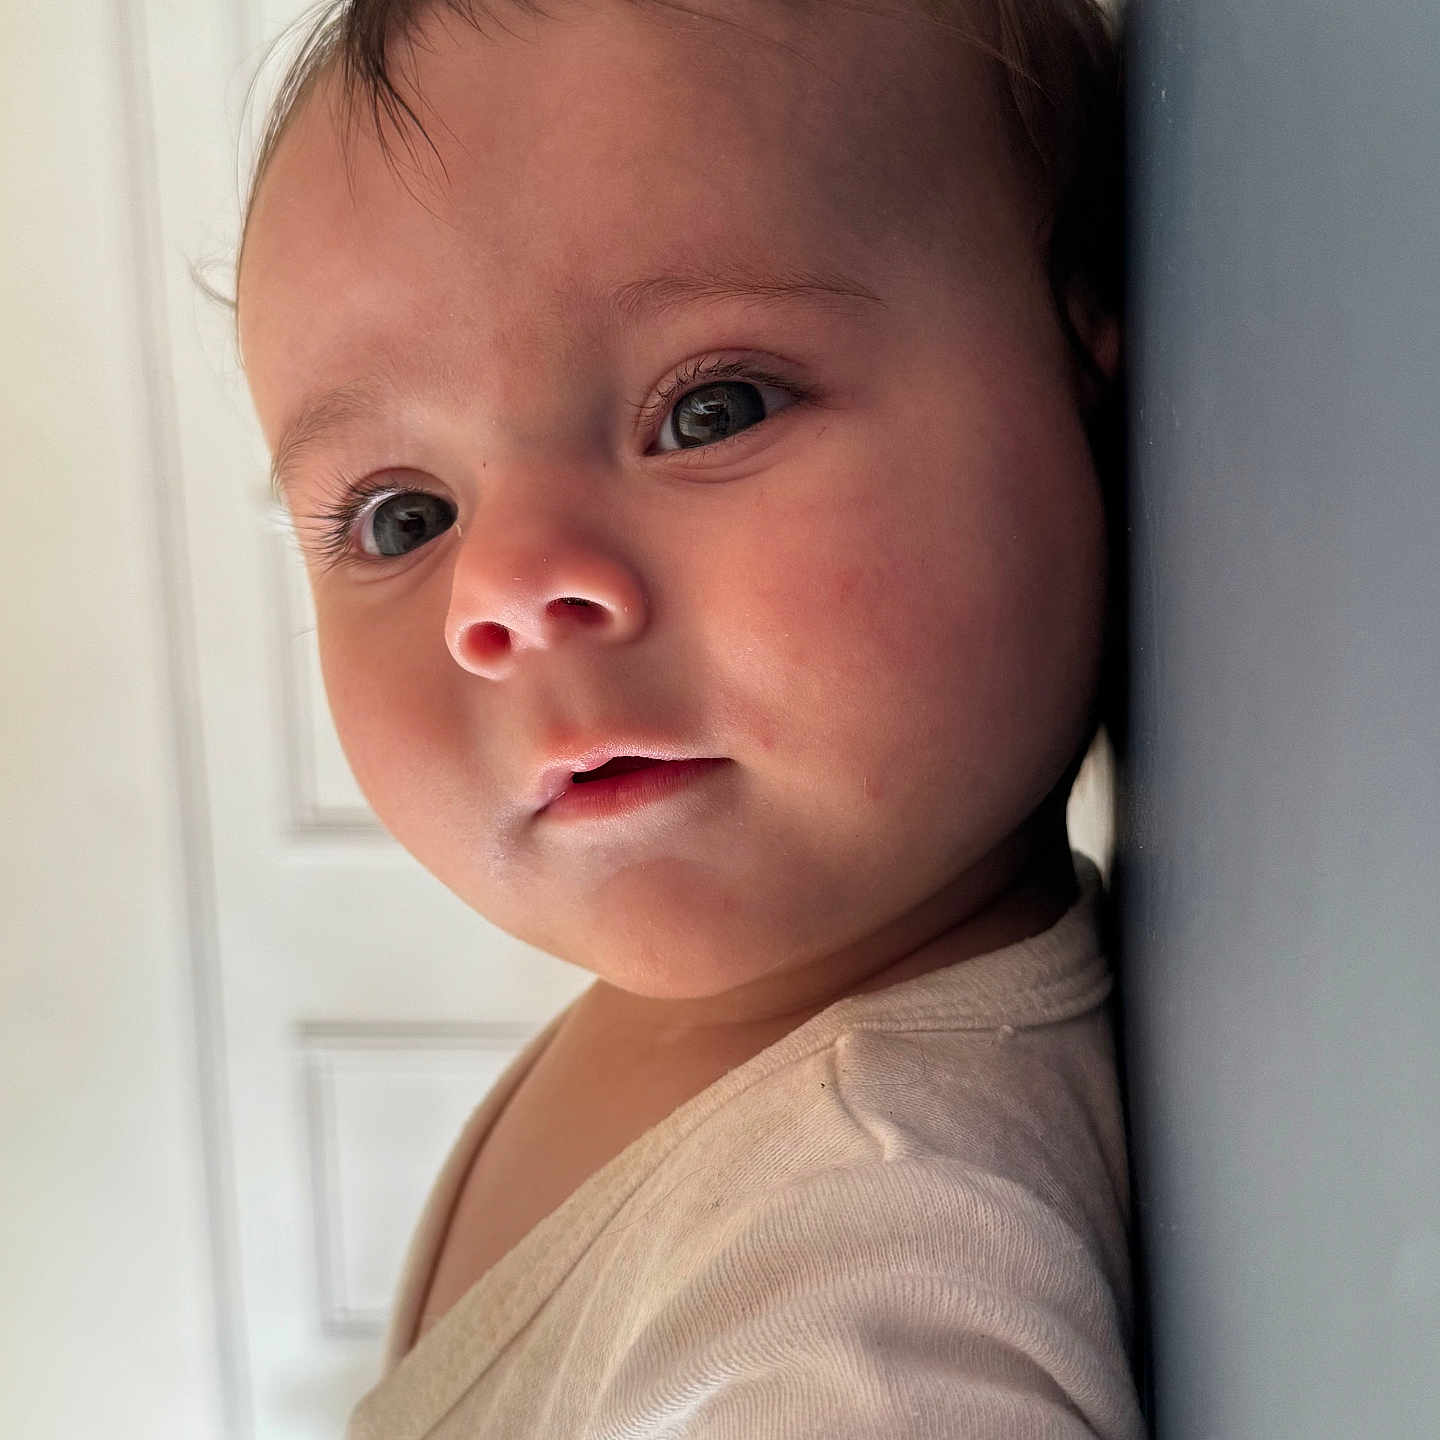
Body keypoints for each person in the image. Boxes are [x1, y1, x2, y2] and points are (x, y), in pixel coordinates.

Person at [233, 0, 1142, 1433]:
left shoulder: (870, 1288)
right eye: (405, 515)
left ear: (1085, 374)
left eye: (713, 409)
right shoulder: (699, 1028)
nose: (506, 592)